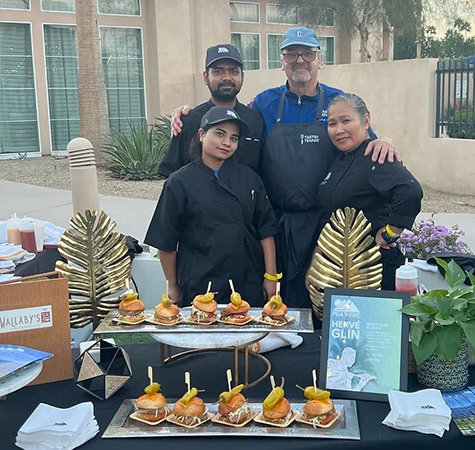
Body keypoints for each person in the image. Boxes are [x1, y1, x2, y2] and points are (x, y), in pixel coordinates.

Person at [170, 27, 400, 308]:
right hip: (277, 223)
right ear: (282, 61)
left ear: (319, 59)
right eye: (291, 54)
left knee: (324, 298)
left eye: (307, 53)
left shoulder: (339, 101)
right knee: (280, 300)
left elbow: (365, 141)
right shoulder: (263, 104)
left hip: (326, 224)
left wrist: (385, 140)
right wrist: (189, 115)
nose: (299, 60)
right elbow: (227, 116)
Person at [145, 106, 278, 306]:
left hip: (247, 281)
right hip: (199, 283)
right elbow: (166, 242)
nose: (227, 143)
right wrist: (172, 284)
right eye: (220, 134)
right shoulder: (179, 183)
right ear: (201, 134)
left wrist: (271, 276)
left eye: (234, 138)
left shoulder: (250, 179)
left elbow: (266, 231)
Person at [314, 93, 423, 290]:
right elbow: (329, 219)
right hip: (341, 273)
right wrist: (317, 266)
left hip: (373, 273)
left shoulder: (376, 155)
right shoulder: (339, 162)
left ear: (366, 121)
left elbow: (410, 191)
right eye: (332, 124)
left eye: (346, 121)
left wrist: (390, 233)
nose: (339, 130)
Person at [158, 44, 264, 177]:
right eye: (218, 71)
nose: (227, 77)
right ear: (205, 76)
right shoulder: (188, 121)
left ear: (242, 77)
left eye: (234, 71)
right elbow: (172, 174)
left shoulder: (255, 120)